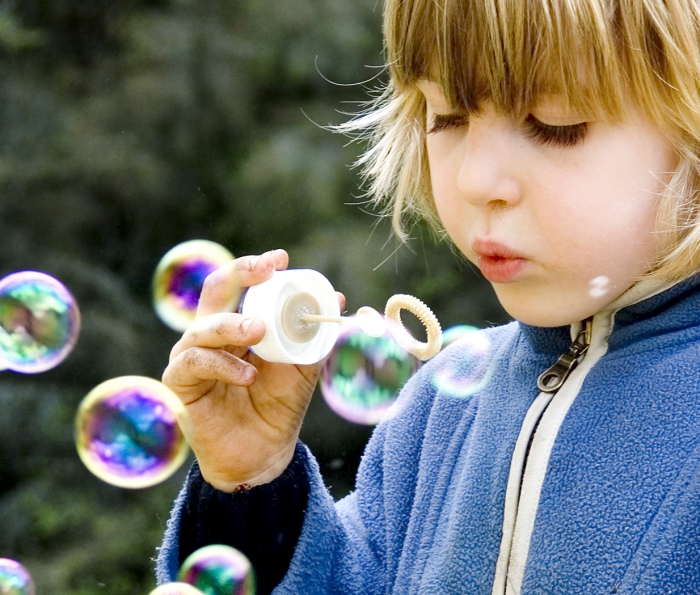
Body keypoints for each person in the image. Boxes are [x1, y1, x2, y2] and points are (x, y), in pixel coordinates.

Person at [157, 0, 700, 592]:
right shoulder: (439, 413)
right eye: (446, 115)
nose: (475, 180)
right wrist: (252, 483)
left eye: (554, 123)